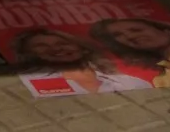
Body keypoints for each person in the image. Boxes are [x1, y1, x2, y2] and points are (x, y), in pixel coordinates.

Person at [12, 29, 150, 94]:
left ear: (83, 48)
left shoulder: (132, 82)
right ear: (30, 54)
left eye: (63, 43)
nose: (55, 49)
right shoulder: (27, 82)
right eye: (41, 46)